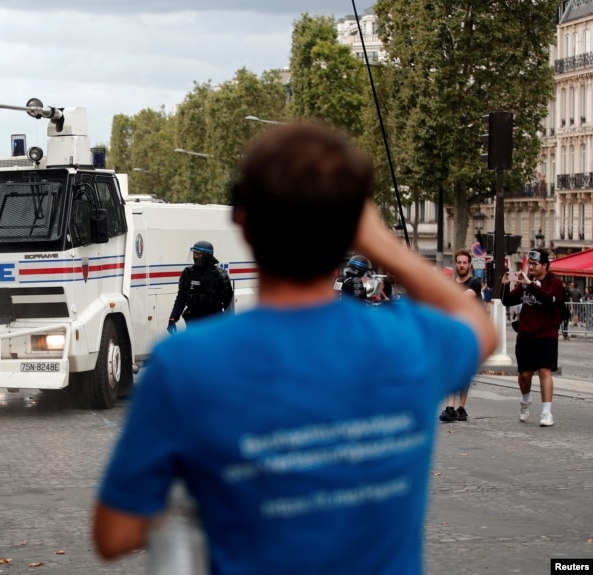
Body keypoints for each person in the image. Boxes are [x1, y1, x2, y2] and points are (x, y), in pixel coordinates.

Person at [93, 121, 497, 574]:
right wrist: (384, 244)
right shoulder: (407, 342)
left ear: (243, 224)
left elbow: (115, 533)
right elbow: (479, 327)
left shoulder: (186, 366)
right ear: (351, 232)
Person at [501, 248, 565, 427]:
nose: (532, 267)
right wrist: (505, 285)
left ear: (545, 265)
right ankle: (525, 401)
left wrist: (529, 285)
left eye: (535, 264)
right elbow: (508, 301)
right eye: (530, 264)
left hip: (547, 334)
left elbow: (548, 299)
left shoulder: (555, 283)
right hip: (526, 334)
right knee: (524, 374)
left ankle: (546, 412)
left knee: (545, 371)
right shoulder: (525, 283)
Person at [439, 249, 484, 423]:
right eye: (459, 262)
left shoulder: (475, 283)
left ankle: (461, 407)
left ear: (470, 264)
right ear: (455, 264)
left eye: (465, 262)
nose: (462, 265)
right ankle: (450, 407)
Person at [167, 241, 233, 334]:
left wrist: (228, 328)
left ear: (207, 256)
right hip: (193, 323)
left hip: (213, 323)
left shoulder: (219, 275)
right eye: (194, 254)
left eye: (198, 255)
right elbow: (181, 298)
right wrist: (173, 318)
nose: (195, 257)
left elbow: (228, 305)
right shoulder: (188, 273)